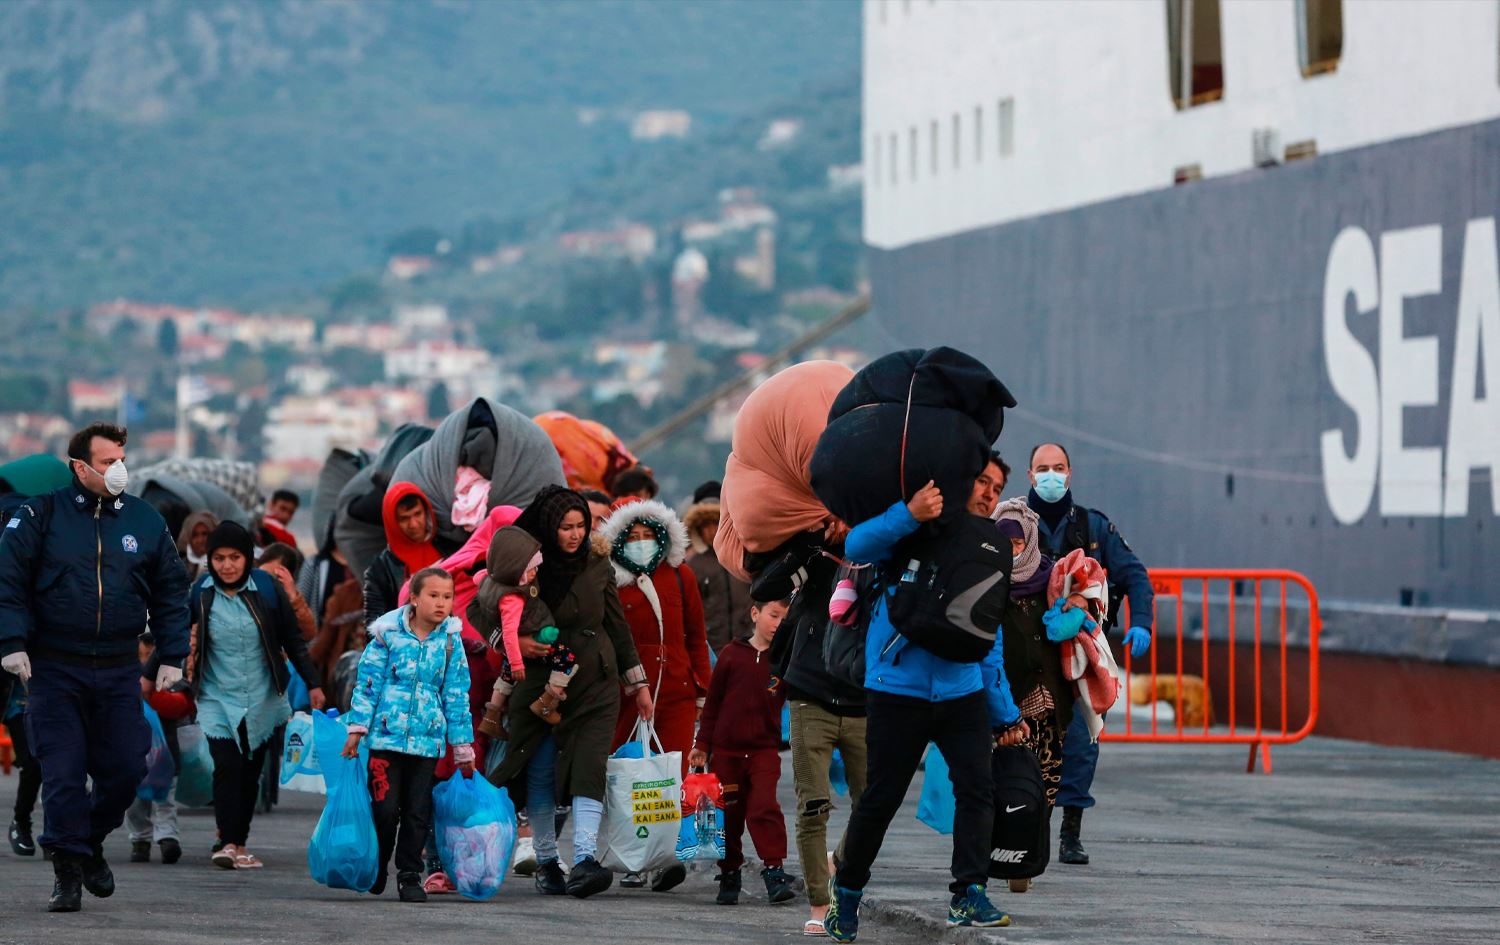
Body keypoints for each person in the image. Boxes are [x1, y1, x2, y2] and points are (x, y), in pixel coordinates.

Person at [0, 422, 191, 913]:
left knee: (128, 767)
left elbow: (171, 589)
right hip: (53, 668)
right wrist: (12, 642)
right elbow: (8, 580)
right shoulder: (40, 515)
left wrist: (172, 653)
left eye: (122, 458)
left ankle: (86, 841)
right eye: (107, 461)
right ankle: (66, 870)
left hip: (117, 668)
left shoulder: (145, 521)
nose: (118, 469)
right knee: (61, 774)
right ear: (79, 466)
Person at [825, 480, 1026, 942]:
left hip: (962, 689)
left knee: (978, 788)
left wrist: (1004, 712)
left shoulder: (989, 548)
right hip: (898, 686)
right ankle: (848, 890)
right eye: (981, 482)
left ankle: (968, 893)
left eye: (996, 488)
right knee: (881, 797)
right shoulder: (912, 529)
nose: (987, 494)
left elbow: (988, 635)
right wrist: (911, 513)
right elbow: (857, 544)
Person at [483, 486, 653, 900]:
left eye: (581, 526)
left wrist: (639, 684)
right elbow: (485, 612)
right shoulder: (523, 564)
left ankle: (583, 860)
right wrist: (514, 644)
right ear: (547, 528)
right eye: (565, 527)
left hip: (595, 679)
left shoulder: (598, 562)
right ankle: (546, 861)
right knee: (540, 770)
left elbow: (618, 625)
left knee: (589, 766)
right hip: (538, 683)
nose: (575, 535)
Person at [1025, 443, 1154, 866]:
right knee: (1028, 741)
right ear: (1029, 475)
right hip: (1028, 650)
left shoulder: (1093, 527)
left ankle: (1071, 831)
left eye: (1057, 468)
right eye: (1042, 469)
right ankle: (1031, 827)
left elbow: (1134, 574)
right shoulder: (1012, 524)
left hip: (1082, 653)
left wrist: (1142, 622)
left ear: (1070, 473)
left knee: (1081, 739)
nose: (1050, 476)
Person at [185, 521, 325, 872]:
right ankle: (228, 842)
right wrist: (149, 675)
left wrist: (313, 683)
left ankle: (239, 841)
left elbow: (292, 638)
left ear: (247, 558)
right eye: (219, 558)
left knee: (250, 772)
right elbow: (174, 634)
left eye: (234, 557)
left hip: (262, 694)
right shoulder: (200, 591)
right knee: (227, 766)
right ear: (210, 560)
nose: (227, 565)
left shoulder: (265, 589)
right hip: (217, 695)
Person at [754, 532, 868, 937]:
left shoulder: (881, 549)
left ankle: (838, 860)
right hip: (809, 694)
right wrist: (808, 544)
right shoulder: (815, 555)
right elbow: (763, 587)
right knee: (812, 806)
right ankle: (821, 902)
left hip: (863, 697)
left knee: (870, 805)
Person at [343, 568, 476, 902]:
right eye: (433, 595)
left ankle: (408, 874)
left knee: (418, 811)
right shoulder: (388, 635)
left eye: (448, 596)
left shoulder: (450, 641)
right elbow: (367, 684)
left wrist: (462, 747)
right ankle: (377, 864)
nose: (442, 603)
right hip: (384, 743)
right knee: (385, 810)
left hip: (427, 744)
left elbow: (457, 695)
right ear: (414, 598)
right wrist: (357, 729)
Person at [603, 498, 712, 888]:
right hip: (628, 695)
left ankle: (665, 859)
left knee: (673, 777)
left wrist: (703, 690)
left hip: (679, 692)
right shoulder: (609, 579)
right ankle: (631, 858)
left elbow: (696, 638)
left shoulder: (679, 575)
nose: (642, 542)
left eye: (649, 535)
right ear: (618, 540)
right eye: (633, 536)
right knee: (631, 776)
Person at [689, 598, 796, 907]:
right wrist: (702, 745)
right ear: (755, 613)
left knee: (764, 807)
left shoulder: (784, 659)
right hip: (726, 753)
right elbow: (712, 705)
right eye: (773, 615)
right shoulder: (731, 655)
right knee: (729, 815)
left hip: (764, 751)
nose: (777, 623)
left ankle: (774, 870)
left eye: (783, 618)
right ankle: (730, 872)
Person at [473, 526, 572, 733]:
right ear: (514, 569)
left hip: (516, 646)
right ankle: (548, 700)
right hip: (531, 636)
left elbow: (479, 577)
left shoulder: (489, 579)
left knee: (506, 675)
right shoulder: (513, 598)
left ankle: (491, 716)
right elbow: (509, 632)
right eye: (530, 569)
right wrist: (517, 661)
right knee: (566, 659)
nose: (535, 572)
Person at [128, 634, 182, 866]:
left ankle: (167, 836)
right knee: (134, 799)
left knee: (165, 795)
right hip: (134, 748)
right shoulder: (124, 669)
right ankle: (141, 839)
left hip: (164, 749)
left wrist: (152, 695)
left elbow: (181, 704)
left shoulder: (171, 668)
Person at [363, 483, 442, 627]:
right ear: (391, 522)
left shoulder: (449, 549)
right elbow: (373, 627)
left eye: (417, 514)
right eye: (404, 518)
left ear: (426, 511)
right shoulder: (381, 570)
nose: (413, 524)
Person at [683, 495, 753, 656]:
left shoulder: (743, 556)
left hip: (747, 641)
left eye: (715, 522)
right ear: (698, 529)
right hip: (711, 646)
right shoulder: (693, 565)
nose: (711, 530)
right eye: (705, 525)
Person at [4, 673, 41, 857]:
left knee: (59, 766)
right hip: (19, 705)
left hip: (58, 703)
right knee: (33, 764)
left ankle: (59, 833)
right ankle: (21, 821)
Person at [258, 543, 317, 641]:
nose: (265, 581)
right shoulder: (247, 591)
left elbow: (308, 633)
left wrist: (293, 597)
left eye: (273, 578)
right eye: (261, 574)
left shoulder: (290, 600)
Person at [176, 510, 218, 584]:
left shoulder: (223, 566)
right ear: (188, 538)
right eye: (195, 535)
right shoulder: (178, 568)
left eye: (205, 534)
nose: (200, 540)